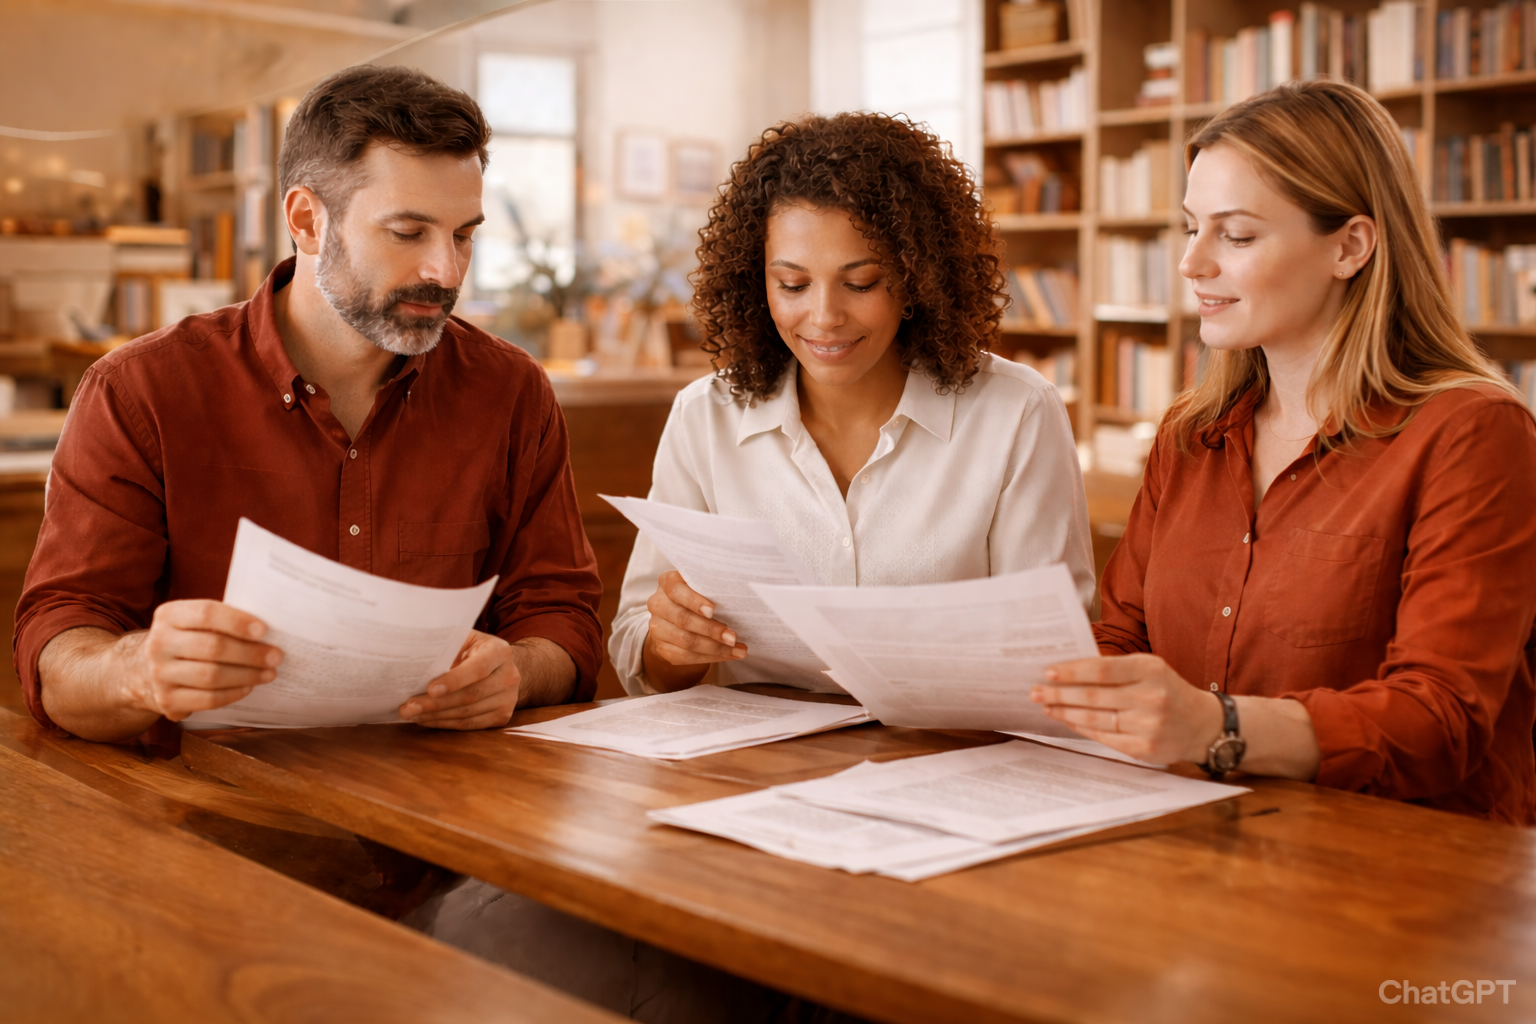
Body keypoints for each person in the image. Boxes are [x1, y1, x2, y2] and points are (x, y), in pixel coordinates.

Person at [16, 64, 603, 744]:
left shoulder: (511, 393)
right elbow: (57, 649)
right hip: (207, 815)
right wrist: (135, 670)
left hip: (444, 812)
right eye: (408, 233)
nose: (445, 271)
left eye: (463, 234)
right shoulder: (140, 392)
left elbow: (563, 621)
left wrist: (518, 673)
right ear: (307, 221)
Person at [1031, 79, 1536, 824]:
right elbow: (1123, 635)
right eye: (1189, 227)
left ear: (1350, 246)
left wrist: (1216, 727)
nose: (1192, 264)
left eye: (1235, 235)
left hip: (1405, 872)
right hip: (1193, 835)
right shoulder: (1188, 436)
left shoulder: (1472, 433)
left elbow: (1440, 718)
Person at [608, 112, 1094, 695]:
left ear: (918, 276)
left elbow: (1053, 659)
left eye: (860, 283)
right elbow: (636, 644)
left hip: (946, 760)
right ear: (754, 281)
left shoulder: (1016, 414)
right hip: (758, 763)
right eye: (792, 285)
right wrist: (672, 643)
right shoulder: (705, 416)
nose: (823, 317)